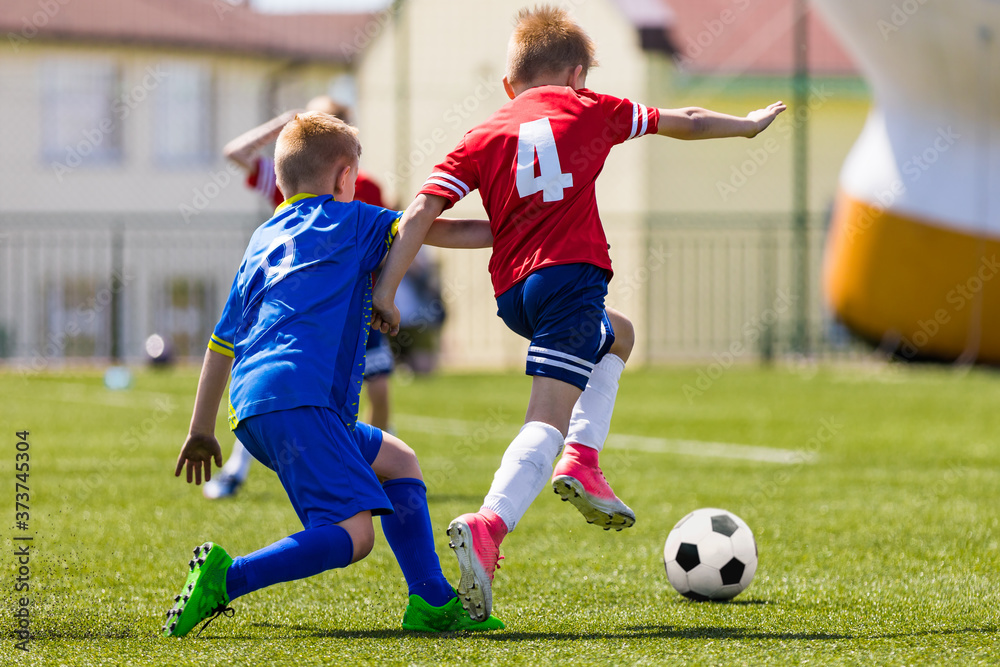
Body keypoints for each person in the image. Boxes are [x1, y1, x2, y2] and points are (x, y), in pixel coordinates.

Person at [370, 6, 786, 622]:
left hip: (515, 296)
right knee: (547, 419)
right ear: (577, 73)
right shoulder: (589, 108)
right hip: (570, 279)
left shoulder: (482, 135)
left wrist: (387, 287)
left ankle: (583, 463)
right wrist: (747, 127)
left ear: (510, 85)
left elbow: (421, 216)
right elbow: (688, 121)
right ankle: (490, 524)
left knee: (619, 333)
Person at [163, 111, 500, 637]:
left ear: (279, 181)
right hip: (304, 401)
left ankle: (431, 600)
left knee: (398, 460)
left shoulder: (262, 239)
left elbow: (220, 342)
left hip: (253, 407)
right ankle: (225, 579)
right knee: (352, 535)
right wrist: (519, 228)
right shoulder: (355, 219)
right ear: (346, 176)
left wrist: (200, 429)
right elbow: (432, 229)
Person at [206, 96, 394, 500]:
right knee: (280, 387)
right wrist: (285, 128)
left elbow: (398, 235)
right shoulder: (290, 176)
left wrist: (386, 290)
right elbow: (234, 152)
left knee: (373, 389)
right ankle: (237, 472)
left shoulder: (366, 190)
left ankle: (368, 469)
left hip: (352, 304)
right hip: (293, 311)